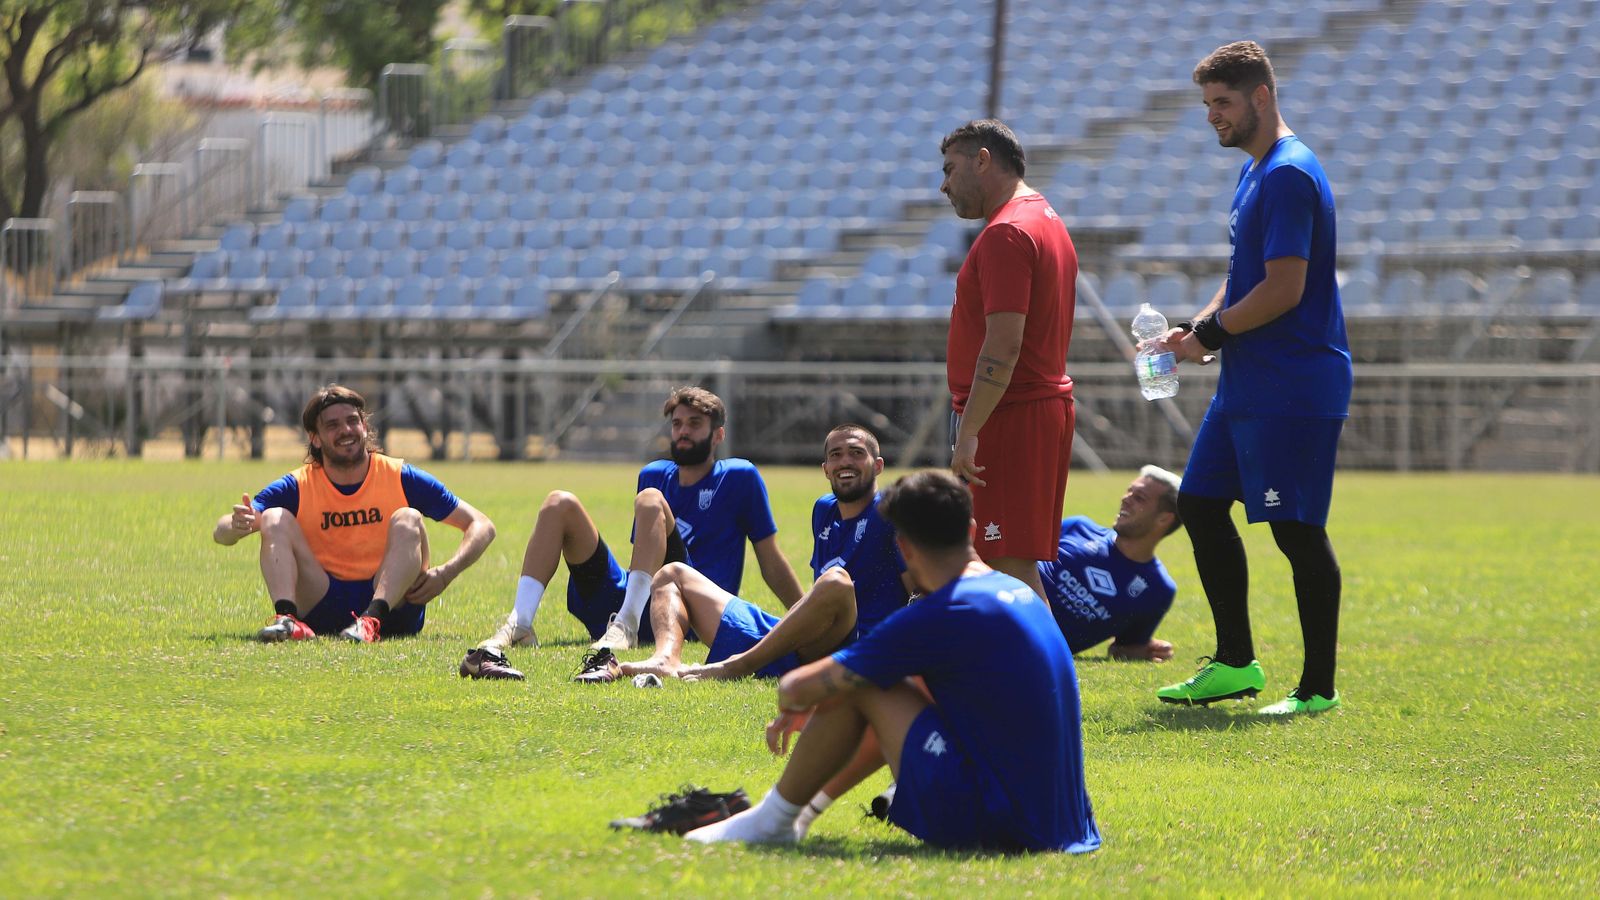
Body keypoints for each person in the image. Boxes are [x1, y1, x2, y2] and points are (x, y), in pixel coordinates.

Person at [682, 470, 1100, 853]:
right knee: (893, 682)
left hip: (1002, 827)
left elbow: (797, 686)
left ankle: (772, 821)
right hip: (1063, 825)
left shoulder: (941, 612)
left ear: (903, 547)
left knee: (865, 682)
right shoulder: (1016, 590)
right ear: (970, 531)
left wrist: (802, 699)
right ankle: (797, 815)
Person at [1149, 41, 1351, 715]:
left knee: (1294, 531)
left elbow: (1286, 290)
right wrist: (1194, 330)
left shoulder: (1290, 172)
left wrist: (1211, 334)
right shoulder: (1255, 171)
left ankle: (1317, 689)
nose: (1213, 117)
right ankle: (1236, 662)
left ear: (1261, 97)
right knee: (1201, 503)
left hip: (1292, 383)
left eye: (1223, 103)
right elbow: (1245, 281)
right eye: (1208, 105)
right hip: (1250, 381)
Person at [459, 385, 802, 681]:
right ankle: (520, 624)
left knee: (651, 501)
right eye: (677, 424)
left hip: (687, 608)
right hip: (632, 602)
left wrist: (806, 618)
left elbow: (770, 560)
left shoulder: (740, 477)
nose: (683, 431)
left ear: (718, 435)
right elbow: (645, 555)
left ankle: (627, 626)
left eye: (694, 424)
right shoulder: (654, 473)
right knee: (558, 503)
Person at [577, 424, 911, 684]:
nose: (845, 462)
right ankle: (665, 659)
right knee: (671, 573)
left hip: (855, 651)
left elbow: (921, 592)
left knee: (837, 581)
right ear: (825, 468)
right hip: (802, 643)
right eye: (836, 455)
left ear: (878, 465)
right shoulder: (823, 510)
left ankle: (737, 665)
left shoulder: (893, 512)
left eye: (856, 453)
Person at [213, 384, 496, 643]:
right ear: (316, 439)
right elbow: (221, 532)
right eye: (333, 425)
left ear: (364, 426)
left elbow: (482, 525)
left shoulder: (400, 476)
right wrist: (236, 525)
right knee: (274, 517)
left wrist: (445, 575)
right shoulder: (298, 485)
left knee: (408, 518)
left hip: (393, 610)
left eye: (352, 421)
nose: (346, 430)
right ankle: (287, 620)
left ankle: (371, 620)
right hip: (322, 603)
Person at [940, 118, 1078, 603]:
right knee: (999, 556)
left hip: (1012, 412)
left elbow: (1003, 345)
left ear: (983, 160)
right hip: (1030, 407)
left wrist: (970, 429)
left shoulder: (1007, 232)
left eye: (951, 169)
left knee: (1006, 562)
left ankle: (1049, 677)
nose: (944, 184)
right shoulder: (1044, 217)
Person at [1041, 466, 1183, 662]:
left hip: (1035, 646)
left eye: (1139, 498)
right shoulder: (1078, 527)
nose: (1126, 499)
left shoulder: (1157, 591)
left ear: (1164, 518)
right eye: (1129, 491)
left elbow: (1122, 650)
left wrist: (1147, 650)